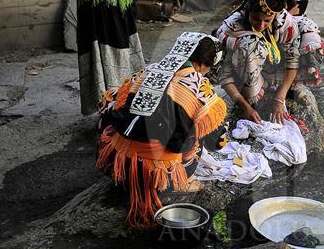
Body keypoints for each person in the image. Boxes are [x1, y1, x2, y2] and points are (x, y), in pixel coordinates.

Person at [97, 33, 227, 228]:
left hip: (117, 163)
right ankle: (183, 182)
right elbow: (217, 142)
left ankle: (127, 175)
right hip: (156, 176)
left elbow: (111, 104)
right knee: (199, 136)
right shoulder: (201, 87)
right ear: (205, 64)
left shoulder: (146, 71)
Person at [215, 0, 300, 124]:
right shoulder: (232, 28)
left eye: (267, 21)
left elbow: (293, 59)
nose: (261, 25)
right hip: (243, 74)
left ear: (275, 16)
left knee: (308, 30)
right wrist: (245, 106)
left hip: (275, 73)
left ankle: (279, 86)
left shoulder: (285, 23)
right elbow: (225, 75)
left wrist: (280, 97)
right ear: (248, 12)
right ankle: (253, 93)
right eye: (256, 19)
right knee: (250, 44)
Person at [277, 0, 324, 87]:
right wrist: (290, 12)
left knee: (309, 26)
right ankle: (310, 65)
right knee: (309, 27)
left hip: (294, 18)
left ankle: (309, 63)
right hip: (283, 22)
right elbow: (276, 11)